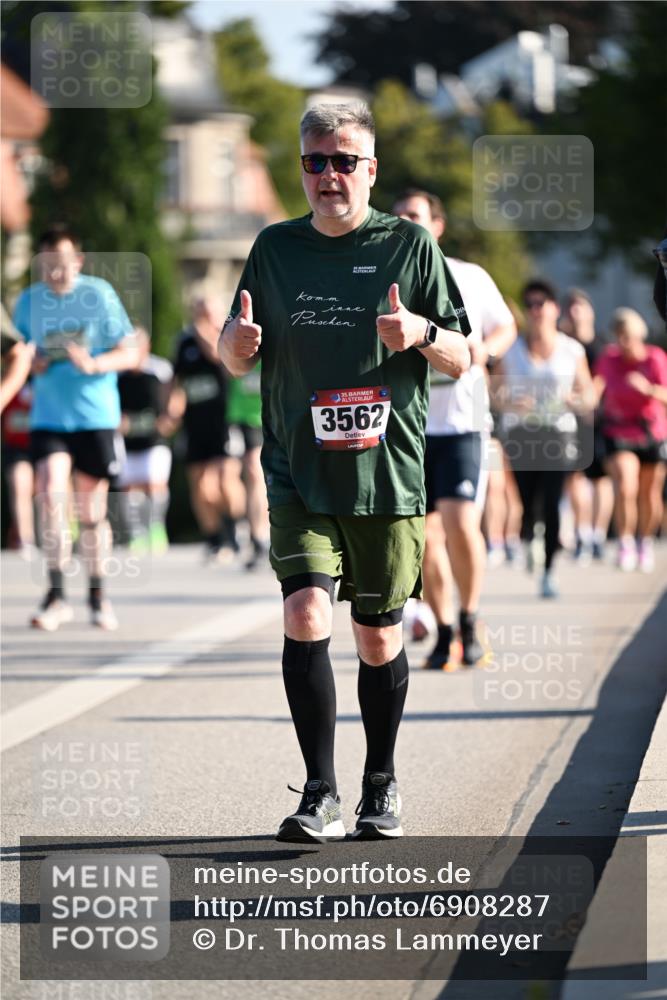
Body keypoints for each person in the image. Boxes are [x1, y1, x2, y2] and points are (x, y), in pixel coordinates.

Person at [219, 102, 471, 842]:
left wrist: (421, 333)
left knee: (377, 637)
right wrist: (234, 343)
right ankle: (319, 791)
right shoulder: (274, 247)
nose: (328, 175)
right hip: (296, 467)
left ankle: (380, 783)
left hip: (384, 476)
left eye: (343, 160)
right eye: (313, 161)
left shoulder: (410, 247)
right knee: (304, 613)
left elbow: (463, 357)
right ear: (301, 167)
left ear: (370, 169)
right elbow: (237, 347)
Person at [392, 189, 516, 669]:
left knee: (462, 524)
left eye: (416, 215)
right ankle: (444, 629)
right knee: (422, 536)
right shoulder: (388, 280)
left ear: (437, 225)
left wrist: (485, 351)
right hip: (410, 427)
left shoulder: (468, 276)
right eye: (399, 216)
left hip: (463, 421)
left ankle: (469, 617)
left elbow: (506, 326)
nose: (407, 222)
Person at [12, 224, 137, 630]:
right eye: (48, 265)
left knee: (90, 509)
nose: (56, 273)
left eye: (63, 265)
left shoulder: (98, 294)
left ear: (77, 261)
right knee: (49, 493)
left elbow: (130, 352)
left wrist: (96, 364)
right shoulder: (28, 303)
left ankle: (98, 595)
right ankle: (56, 595)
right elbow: (17, 356)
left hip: (94, 416)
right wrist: (31, 363)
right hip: (49, 416)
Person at [492, 279, 594, 598]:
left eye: (542, 304)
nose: (536, 310)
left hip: (558, 432)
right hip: (521, 432)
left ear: (554, 309)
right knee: (526, 501)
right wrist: (512, 402)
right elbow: (493, 394)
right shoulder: (512, 350)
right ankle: (530, 536)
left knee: (551, 501)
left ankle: (549, 571)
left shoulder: (571, 350)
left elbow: (588, 394)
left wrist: (574, 400)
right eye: (531, 304)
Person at [170, 297, 243, 563]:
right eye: (199, 313)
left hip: (223, 421)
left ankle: (235, 531)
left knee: (225, 480)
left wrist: (203, 332)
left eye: (208, 313)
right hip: (194, 424)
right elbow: (177, 381)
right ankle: (214, 538)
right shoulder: (184, 343)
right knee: (201, 486)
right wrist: (171, 409)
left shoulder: (223, 338)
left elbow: (217, 358)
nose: (203, 319)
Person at [594, 308, 667, 572]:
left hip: (650, 431)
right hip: (618, 430)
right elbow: (597, 385)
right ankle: (625, 542)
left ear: (639, 336)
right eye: (619, 336)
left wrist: (648, 389)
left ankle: (644, 541)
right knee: (626, 485)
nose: (623, 342)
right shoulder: (609, 359)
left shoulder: (655, 358)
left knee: (650, 493)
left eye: (628, 336)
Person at [560, 288, 614, 562]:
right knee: (575, 479)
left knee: (601, 479)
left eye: (579, 306)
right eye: (570, 307)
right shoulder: (564, 344)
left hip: (600, 421)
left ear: (590, 311)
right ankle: (581, 533)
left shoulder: (603, 345)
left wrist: (589, 398)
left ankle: (598, 535)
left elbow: (602, 383)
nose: (574, 312)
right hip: (571, 422)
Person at [117, 328, 174, 554]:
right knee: (130, 488)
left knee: (155, 484)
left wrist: (171, 417)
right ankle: (136, 534)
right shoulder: (117, 374)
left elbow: (174, 395)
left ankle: (156, 527)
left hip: (154, 441)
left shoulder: (159, 370)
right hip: (127, 441)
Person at [225, 364, 270, 569]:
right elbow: (224, 363)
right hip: (245, 416)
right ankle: (258, 537)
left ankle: (274, 534)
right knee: (253, 472)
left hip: (275, 410)